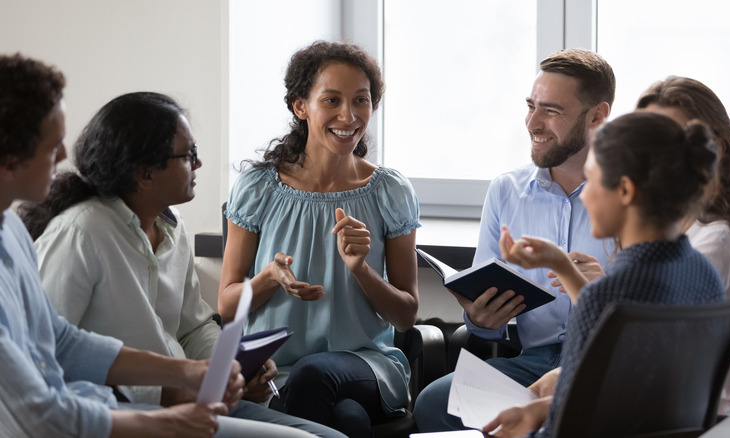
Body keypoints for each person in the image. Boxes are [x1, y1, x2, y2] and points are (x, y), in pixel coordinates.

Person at [0, 53, 317, 438]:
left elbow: (62, 340)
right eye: (52, 146)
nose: (65, 157)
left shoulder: (11, 230)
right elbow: (40, 411)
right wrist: (165, 414)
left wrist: (206, 368)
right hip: (105, 417)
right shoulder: (81, 233)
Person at [219, 40, 420, 438]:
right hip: (276, 372)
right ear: (300, 107)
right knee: (347, 420)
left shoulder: (390, 191)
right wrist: (268, 279)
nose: (349, 115)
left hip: (366, 365)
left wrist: (361, 269)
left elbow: (405, 315)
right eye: (331, 100)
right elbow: (227, 306)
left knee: (318, 376)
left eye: (361, 100)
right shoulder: (258, 188)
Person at [484, 111, 725, 438]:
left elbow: (563, 432)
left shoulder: (607, 299)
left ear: (625, 191)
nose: (583, 194)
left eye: (593, 179)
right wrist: (544, 408)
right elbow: (635, 395)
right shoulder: (702, 273)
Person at [413, 48, 616, 432]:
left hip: (603, 364)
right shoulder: (506, 190)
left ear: (597, 116)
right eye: (530, 105)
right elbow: (484, 326)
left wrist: (606, 287)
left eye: (551, 111)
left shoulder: (629, 195)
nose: (533, 123)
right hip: (531, 361)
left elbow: (655, 316)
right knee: (434, 404)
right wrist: (480, 319)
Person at [635, 76, 730, 415]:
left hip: (715, 412)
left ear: (716, 149)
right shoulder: (685, 226)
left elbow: (644, 346)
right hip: (688, 403)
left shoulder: (719, 239)